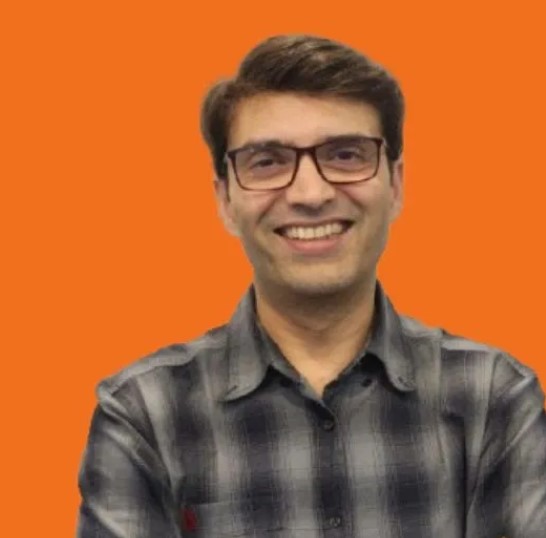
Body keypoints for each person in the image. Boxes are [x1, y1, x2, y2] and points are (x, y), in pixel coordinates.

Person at [76, 35, 546, 537]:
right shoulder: (144, 413)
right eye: (267, 161)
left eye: (345, 155)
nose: (311, 193)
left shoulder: (493, 397)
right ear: (225, 199)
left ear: (396, 185)